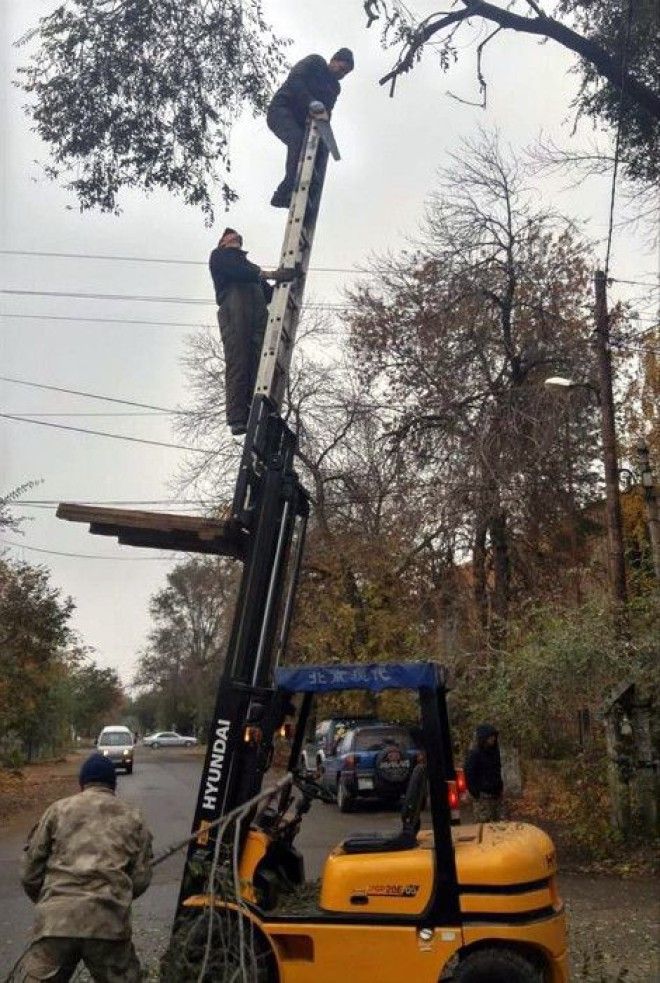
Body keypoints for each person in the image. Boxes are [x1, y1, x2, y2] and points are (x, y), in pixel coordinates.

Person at [16, 752, 153, 982]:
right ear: (113, 785)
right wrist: (116, 895)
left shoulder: (57, 811)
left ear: (82, 783)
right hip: (108, 924)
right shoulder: (133, 817)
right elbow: (140, 879)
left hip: (55, 924)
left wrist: (51, 901)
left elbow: (30, 872)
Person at [209, 228, 295, 435]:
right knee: (239, 361)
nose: (235, 238)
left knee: (259, 362)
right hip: (234, 310)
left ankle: (255, 411)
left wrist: (289, 282)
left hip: (257, 315)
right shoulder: (220, 256)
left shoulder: (249, 268)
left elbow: (269, 294)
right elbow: (239, 271)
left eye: (237, 236)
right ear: (222, 242)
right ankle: (237, 417)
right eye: (230, 236)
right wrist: (270, 274)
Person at [267, 48, 354, 208]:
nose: (342, 74)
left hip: (302, 123)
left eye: (345, 73)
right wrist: (310, 101)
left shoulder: (335, 88)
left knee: (321, 150)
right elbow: (295, 80)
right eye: (341, 68)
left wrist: (325, 119)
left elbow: (327, 110)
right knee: (297, 141)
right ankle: (283, 193)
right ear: (333, 60)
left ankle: (309, 191)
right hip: (282, 110)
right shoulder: (315, 62)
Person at [464, 723, 505, 822]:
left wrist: (500, 787)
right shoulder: (475, 754)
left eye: (494, 737)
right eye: (490, 737)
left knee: (499, 826)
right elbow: (469, 774)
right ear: (484, 738)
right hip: (483, 797)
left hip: (496, 795)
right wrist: (475, 793)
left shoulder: (495, 752)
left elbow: (497, 770)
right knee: (483, 826)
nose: (493, 739)